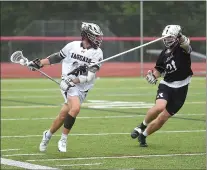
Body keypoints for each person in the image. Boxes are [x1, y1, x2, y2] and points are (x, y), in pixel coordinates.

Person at [27, 22, 103, 152]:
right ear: (86, 35)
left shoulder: (97, 53)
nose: (98, 39)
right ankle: (63, 138)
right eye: (95, 36)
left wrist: (73, 81)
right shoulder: (72, 46)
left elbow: (89, 76)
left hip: (82, 86)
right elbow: (56, 57)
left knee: (63, 115)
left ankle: (48, 135)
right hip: (67, 83)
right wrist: (39, 63)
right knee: (76, 108)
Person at [130, 25, 193, 147]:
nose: (167, 40)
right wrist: (153, 77)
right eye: (166, 38)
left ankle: (144, 135)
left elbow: (186, 44)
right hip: (167, 85)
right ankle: (141, 126)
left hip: (181, 88)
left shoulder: (182, 49)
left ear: (176, 37)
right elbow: (159, 70)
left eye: (170, 38)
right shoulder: (163, 54)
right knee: (160, 107)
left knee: (162, 118)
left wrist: (179, 35)